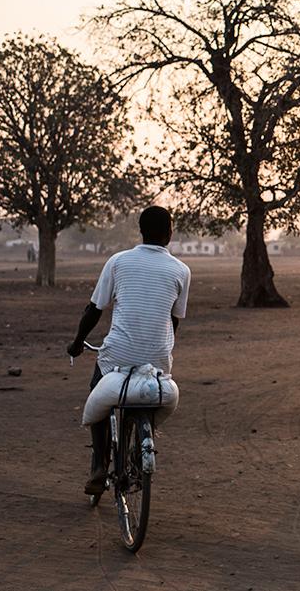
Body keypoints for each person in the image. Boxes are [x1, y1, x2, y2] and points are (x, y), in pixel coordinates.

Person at [66, 206, 191, 496]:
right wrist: (161, 350)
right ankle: (138, 449)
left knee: (97, 393)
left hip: (117, 356)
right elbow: (173, 320)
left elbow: (94, 309)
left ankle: (99, 465)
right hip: (158, 358)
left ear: (141, 231)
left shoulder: (118, 262)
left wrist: (77, 342)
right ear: (169, 234)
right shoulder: (181, 271)